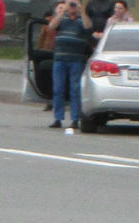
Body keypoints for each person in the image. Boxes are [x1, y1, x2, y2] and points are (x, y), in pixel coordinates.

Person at [48, 0, 93, 128]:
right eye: (70, 4)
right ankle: (58, 118)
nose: (72, 7)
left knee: (75, 90)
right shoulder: (62, 18)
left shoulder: (81, 19)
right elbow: (51, 26)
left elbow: (87, 27)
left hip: (76, 59)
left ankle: (75, 119)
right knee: (58, 89)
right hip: (60, 58)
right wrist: (63, 11)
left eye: (74, 4)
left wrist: (82, 11)